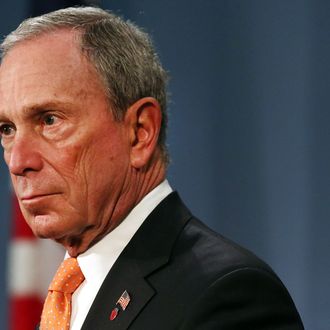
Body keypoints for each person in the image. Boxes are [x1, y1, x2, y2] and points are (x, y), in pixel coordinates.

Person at [0, 6, 304, 330]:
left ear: (140, 133)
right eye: (7, 129)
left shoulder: (226, 294)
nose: (19, 162)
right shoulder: (68, 294)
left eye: (50, 120)